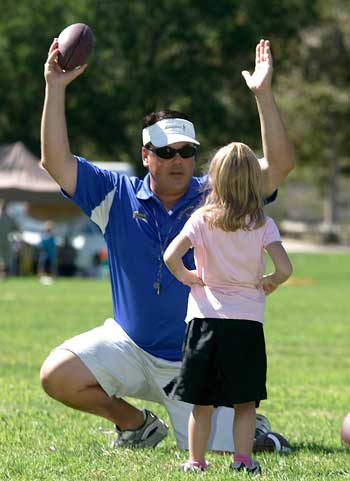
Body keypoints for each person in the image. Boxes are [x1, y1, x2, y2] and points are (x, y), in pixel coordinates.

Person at [39, 38, 294, 451]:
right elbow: (56, 161)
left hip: (192, 359)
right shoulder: (114, 194)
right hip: (128, 343)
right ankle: (136, 424)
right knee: (57, 374)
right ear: (145, 155)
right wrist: (55, 87)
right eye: (166, 151)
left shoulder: (219, 194)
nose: (178, 160)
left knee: (230, 446)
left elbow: (279, 166)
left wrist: (263, 95)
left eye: (186, 152)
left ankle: (249, 422)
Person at [163, 142, 293, 474]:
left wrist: (190, 278)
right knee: (244, 402)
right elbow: (285, 268)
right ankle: (243, 460)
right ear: (254, 180)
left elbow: (170, 257)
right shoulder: (263, 224)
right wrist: (270, 281)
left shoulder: (201, 220)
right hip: (246, 324)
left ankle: (196, 461)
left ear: (215, 181)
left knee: (202, 402)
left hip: (205, 321)